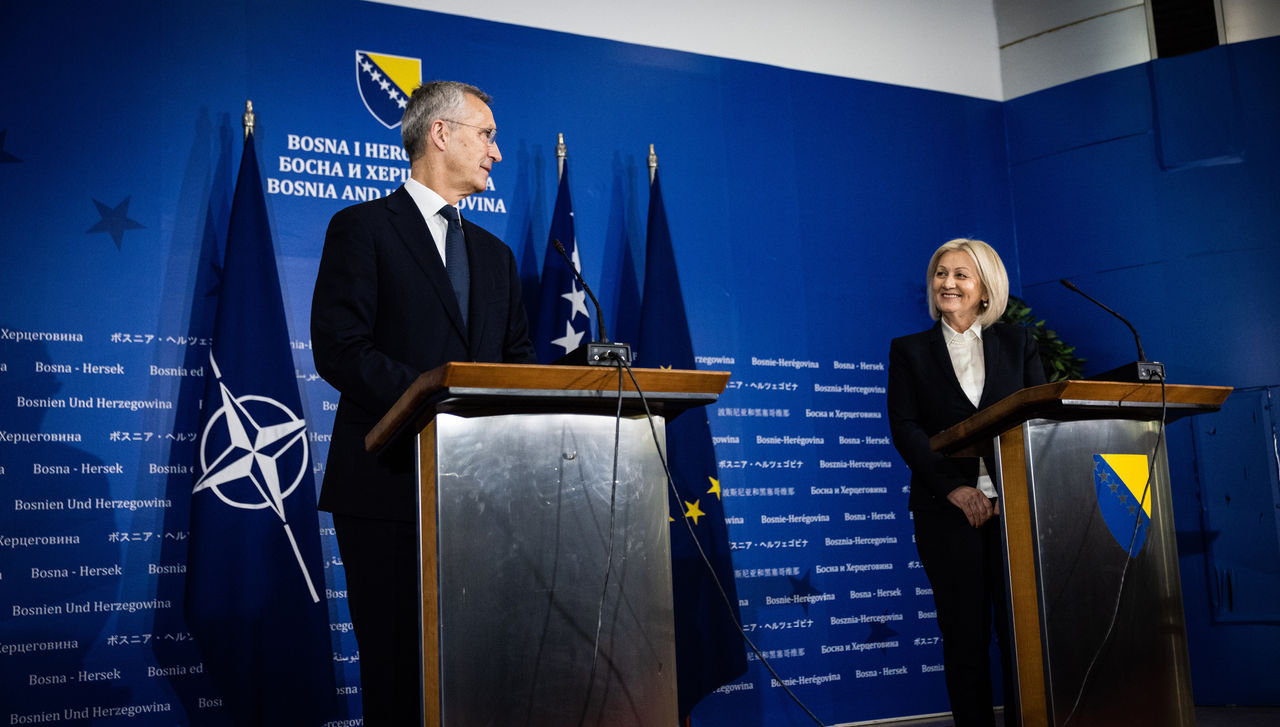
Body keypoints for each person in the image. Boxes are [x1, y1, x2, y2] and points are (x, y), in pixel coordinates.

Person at [310, 80, 536, 724]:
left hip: (484, 497)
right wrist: (435, 399)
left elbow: (517, 365)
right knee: (398, 672)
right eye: (486, 135)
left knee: (480, 671)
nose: (496, 152)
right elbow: (340, 348)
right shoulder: (361, 229)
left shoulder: (496, 256)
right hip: (386, 490)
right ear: (440, 133)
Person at [887, 238, 1046, 727]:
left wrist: (1012, 491)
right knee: (964, 635)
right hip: (945, 510)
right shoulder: (910, 351)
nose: (948, 283)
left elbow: (1039, 420)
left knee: (1023, 635)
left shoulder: (1018, 343)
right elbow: (905, 428)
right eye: (941, 273)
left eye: (961, 274)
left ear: (985, 289)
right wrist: (953, 489)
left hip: (1015, 510)